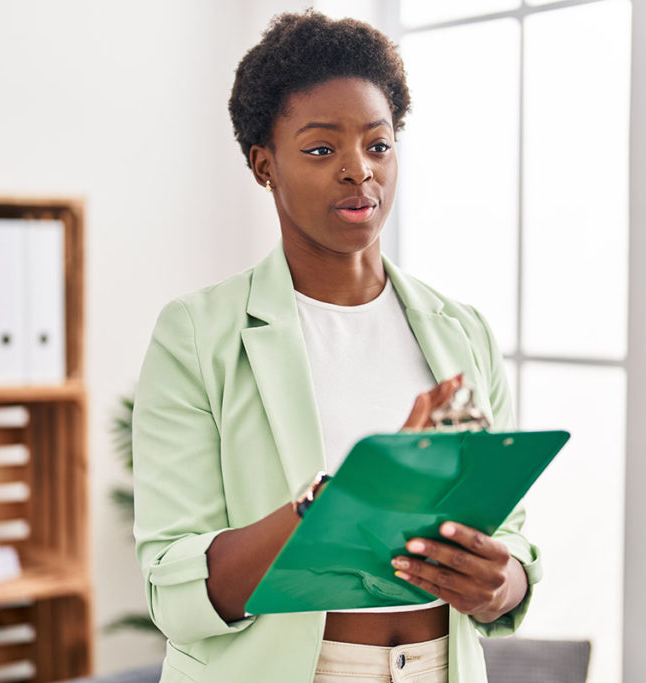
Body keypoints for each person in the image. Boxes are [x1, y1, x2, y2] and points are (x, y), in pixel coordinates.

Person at [132, 11, 541, 682]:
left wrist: (505, 582)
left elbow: (512, 533)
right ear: (265, 165)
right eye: (322, 150)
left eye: (378, 145)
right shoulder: (197, 335)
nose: (359, 171)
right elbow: (175, 590)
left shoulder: (461, 330)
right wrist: (351, 496)